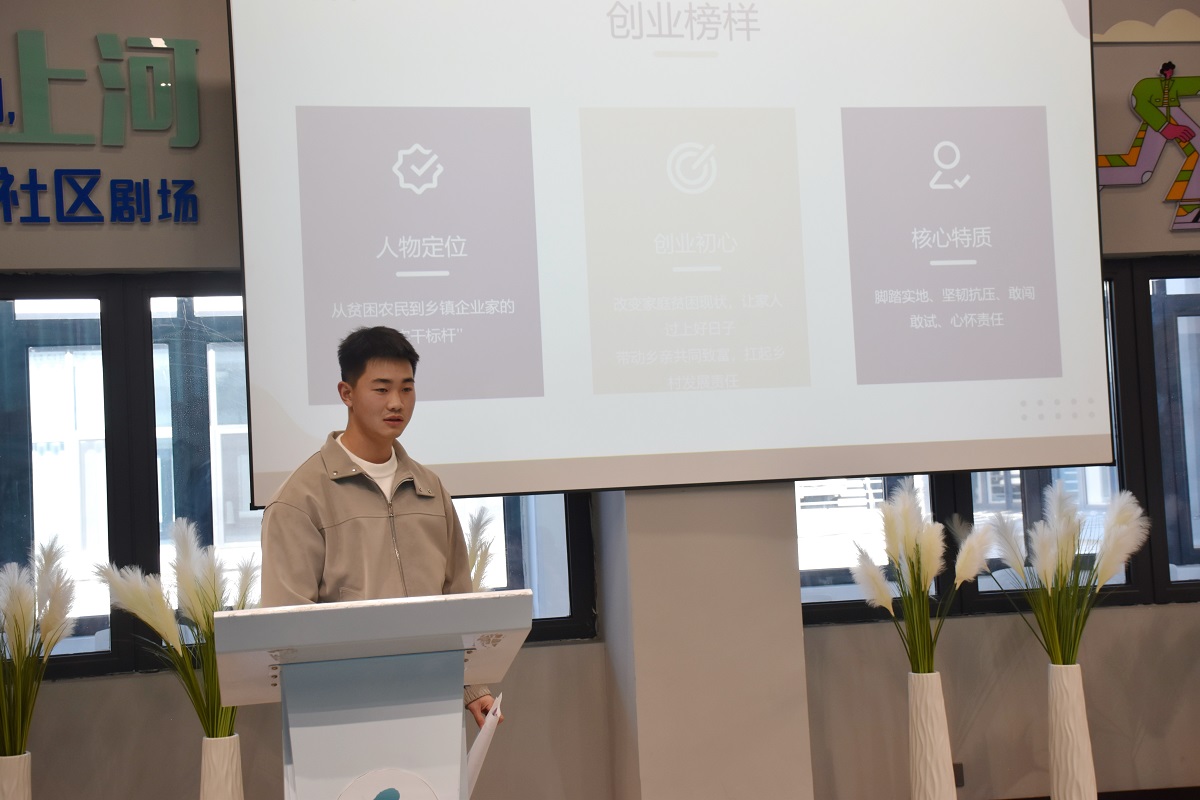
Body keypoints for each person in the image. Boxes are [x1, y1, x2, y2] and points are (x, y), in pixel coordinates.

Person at [260, 325, 497, 727]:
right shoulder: (301, 499)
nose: (396, 403)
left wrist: (474, 686)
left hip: (432, 702)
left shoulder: (429, 488)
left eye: (407, 388)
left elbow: (457, 596)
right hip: (339, 713)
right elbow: (288, 628)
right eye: (382, 389)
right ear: (346, 393)